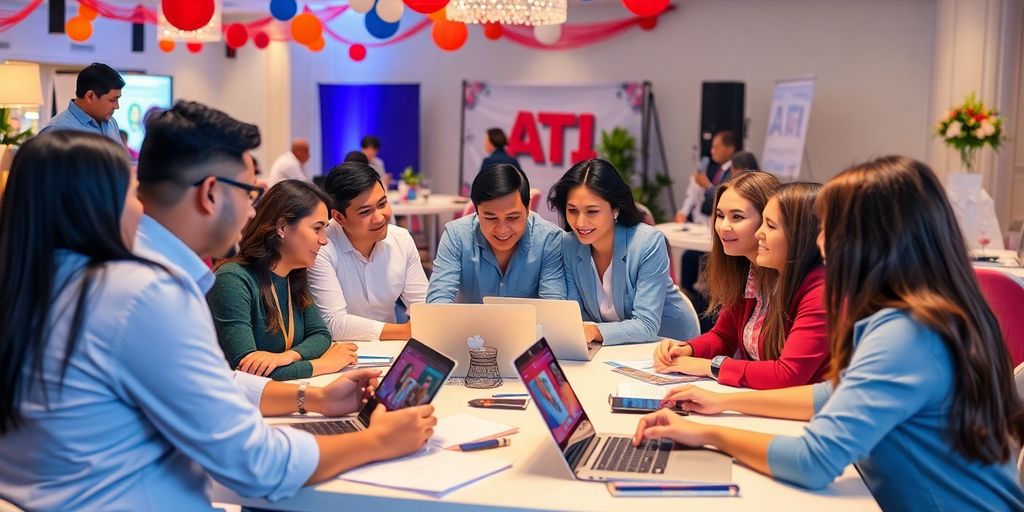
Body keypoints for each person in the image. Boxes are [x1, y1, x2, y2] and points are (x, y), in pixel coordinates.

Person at [0, 129, 435, 510]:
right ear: (210, 192)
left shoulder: (42, 284)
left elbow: (209, 381)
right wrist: (376, 441)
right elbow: (252, 463)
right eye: (132, 194)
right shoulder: (139, 294)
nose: (251, 212)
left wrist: (313, 399)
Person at [634, 156, 1024, 511]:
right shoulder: (919, 315)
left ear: (869, 239)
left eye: (829, 228)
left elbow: (813, 461)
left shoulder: (906, 334)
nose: (818, 242)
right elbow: (831, 393)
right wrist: (721, 404)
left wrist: (707, 434)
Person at [653, 182, 829, 389]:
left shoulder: (818, 290)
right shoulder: (750, 273)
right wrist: (687, 349)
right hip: (767, 400)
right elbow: (723, 335)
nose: (723, 226)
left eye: (737, 217)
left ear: (801, 235)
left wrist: (710, 366)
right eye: (719, 215)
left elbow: (788, 374)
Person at [208, 180, 355, 380]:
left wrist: (286, 357)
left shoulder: (294, 274)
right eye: (317, 228)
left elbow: (320, 335)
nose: (324, 239)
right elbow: (246, 373)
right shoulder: (233, 280)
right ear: (283, 227)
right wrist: (323, 364)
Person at [548, 159, 699, 345]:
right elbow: (577, 313)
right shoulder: (569, 245)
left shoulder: (647, 243)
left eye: (592, 211)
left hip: (669, 344)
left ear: (615, 209)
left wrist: (595, 330)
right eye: (572, 210)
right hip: (612, 350)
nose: (580, 222)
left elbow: (646, 324)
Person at [309, 162, 427, 341]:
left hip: (393, 348)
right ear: (339, 217)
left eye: (382, 204)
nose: (380, 217)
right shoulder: (322, 247)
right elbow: (333, 323)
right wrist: (405, 331)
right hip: (340, 352)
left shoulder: (401, 239)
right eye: (365, 212)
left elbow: (424, 308)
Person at [427, 163, 565, 303]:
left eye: (512, 217)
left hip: (532, 326)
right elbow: (438, 302)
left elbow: (553, 307)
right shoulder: (457, 236)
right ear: (476, 210)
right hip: (470, 325)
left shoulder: (550, 240)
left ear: (528, 207)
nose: (502, 229)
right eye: (490, 218)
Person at [40, 62, 123, 144]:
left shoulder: (112, 123)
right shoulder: (56, 131)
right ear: (90, 96)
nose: (117, 106)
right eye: (112, 100)